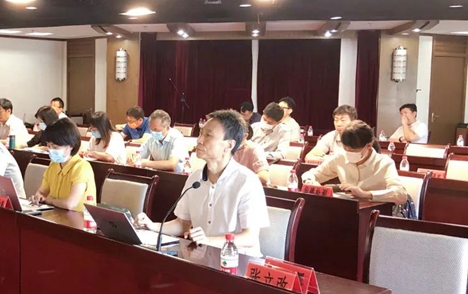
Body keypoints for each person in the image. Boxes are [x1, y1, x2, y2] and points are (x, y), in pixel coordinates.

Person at [135, 110, 269, 256]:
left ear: (229, 145)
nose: (199, 140)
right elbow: (182, 224)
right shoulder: (195, 178)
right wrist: (151, 225)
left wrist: (209, 241)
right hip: (203, 257)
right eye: (201, 133)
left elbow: (250, 237)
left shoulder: (247, 181)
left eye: (208, 135)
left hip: (238, 260)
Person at [301, 121, 408, 204]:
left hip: (373, 212)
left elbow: (401, 194)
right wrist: (310, 181)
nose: (348, 153)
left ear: (369, 145)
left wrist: (366, 194)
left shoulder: (384, 163)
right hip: (347, 208)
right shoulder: (340, 157)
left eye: (353, 150)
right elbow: (312, 174)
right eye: (345, 148)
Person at [29, 118, 97, 212]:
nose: (51, 150)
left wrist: (50, 201)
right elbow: (42, 192)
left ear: (71, 146)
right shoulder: (54, 165)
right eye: (48, 146)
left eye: (55, 147)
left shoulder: (82, 167)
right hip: (56, 215)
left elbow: (70, 204)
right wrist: (38, 197)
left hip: (78, 218)